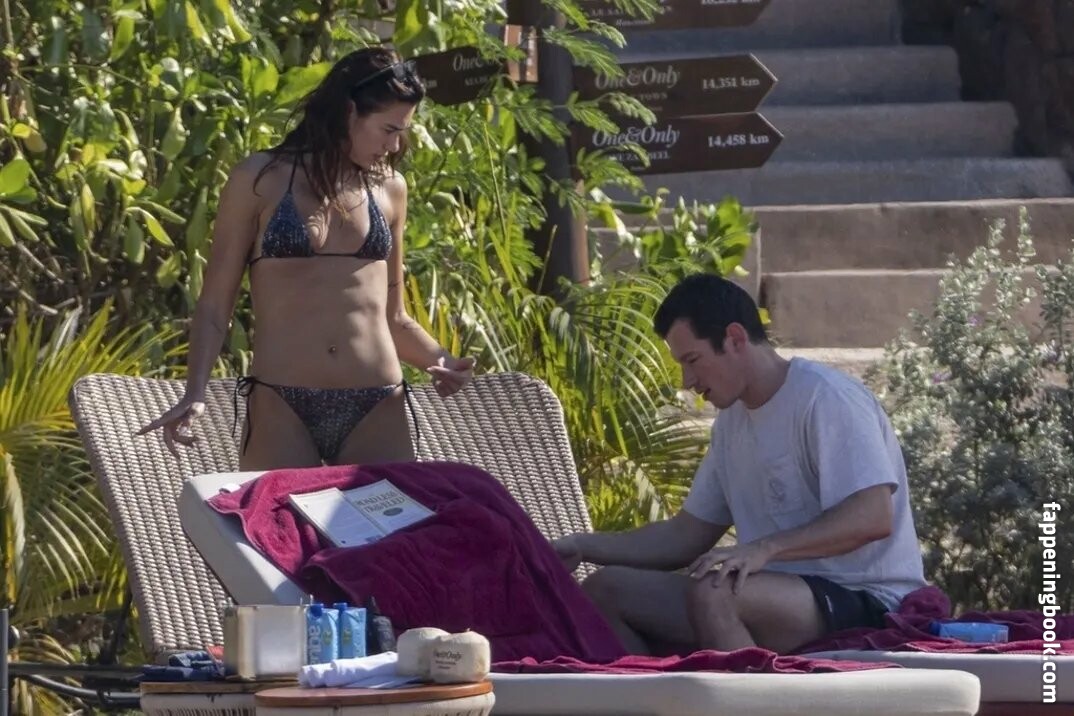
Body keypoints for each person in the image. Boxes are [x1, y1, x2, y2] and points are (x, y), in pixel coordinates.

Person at [553, 273, 926, 655]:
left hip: (867, 598)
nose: (687, 380)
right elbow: (685, 536)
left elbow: (872, 516)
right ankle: (662, 692)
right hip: (767, 597)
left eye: (692, 360)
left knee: (715, 593)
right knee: (606, 591)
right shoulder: (731, 424)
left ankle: (753, 689)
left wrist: (765, 549)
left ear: (734, 338)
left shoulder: (825, 397)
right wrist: (583, 545)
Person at [139, 48, 474, 469]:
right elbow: (214, 305)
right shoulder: (258, 178)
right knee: (273, 515)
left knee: (392, 516)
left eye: (401, 132)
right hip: (282, 400)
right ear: (349, 111)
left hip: (376, 401)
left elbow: (394, 317)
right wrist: (195, 391)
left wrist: (442, 361)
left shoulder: (391, 189)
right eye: (388, 129)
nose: (393, 146)